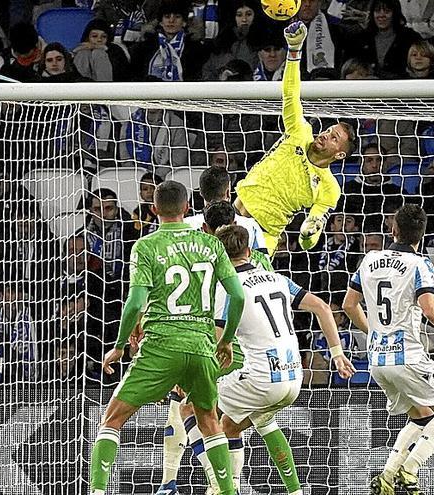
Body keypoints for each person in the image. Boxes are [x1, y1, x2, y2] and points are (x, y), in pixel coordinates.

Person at [88, 180, 246, 495]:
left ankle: (96, 491)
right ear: (187, 208)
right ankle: (228, 491)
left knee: (112, 419)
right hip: (202, 346)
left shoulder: (145, 246)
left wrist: (119, 346)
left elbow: (134, 303)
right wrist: (226, 339)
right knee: (209, 421)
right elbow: (237, 297)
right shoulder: (211, 244)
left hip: (160, 346)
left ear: (154, 209)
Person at [342, 204, 434, 495]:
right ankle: (411, 469)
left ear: (392, 230)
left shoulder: (369, 259)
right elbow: (431, 310)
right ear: (421, 236)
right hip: (408, 356)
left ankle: (387, 475)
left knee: (421, 416)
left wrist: (375, 333)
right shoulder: (420, 264)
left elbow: (348, 305)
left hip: (377, 360)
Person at [210, 225, 355, 494]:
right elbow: (323, 307)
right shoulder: (276, 278)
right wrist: (337, 353)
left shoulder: (226, 288)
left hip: (262, 380)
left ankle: (223, 489)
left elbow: (215, 343)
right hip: (293, 375)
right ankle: (294, 491)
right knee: (239, 424)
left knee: (196, 408)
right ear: (250, 252)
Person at [156, 198, 270, 494]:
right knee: (237, 424)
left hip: (213, 349)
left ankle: (208, 484)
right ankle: (227, 484)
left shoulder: (196, 258)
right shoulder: (260, 259)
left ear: (205, 227)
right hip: (258, 356)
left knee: (189, 412)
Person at [233, 21, 356, 256]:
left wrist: (309, 232)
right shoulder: (300, 132)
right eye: (329, 130)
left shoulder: (330, 188)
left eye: (334, 138)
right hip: (235, 216)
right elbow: (290, 94)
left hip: (263, 238)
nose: (326, 134)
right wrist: (294, 51)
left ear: (339, 154)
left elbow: (307, 242)